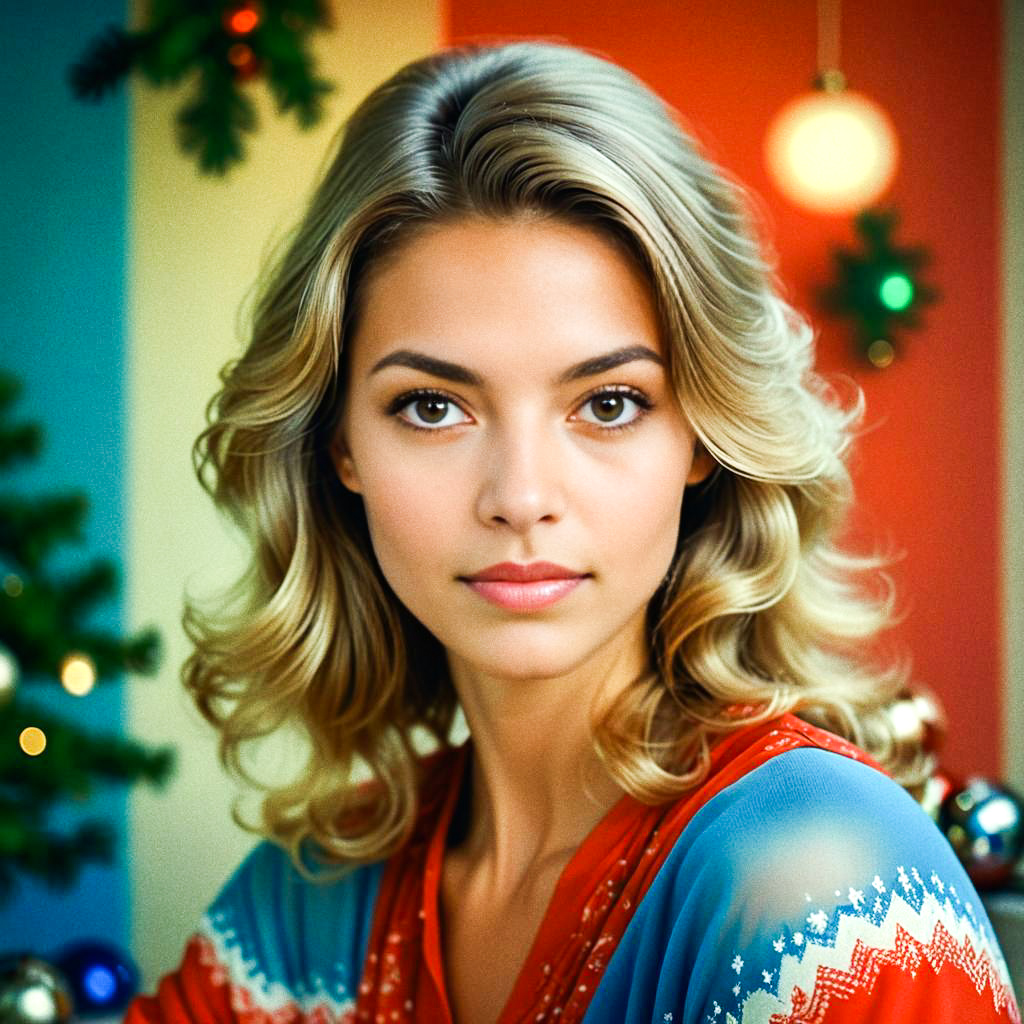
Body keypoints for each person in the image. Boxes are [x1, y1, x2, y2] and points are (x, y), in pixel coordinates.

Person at [124, 39, 1019, 1024]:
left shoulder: (825, 891)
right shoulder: (308, 907)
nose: (519, 495)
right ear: (340, 444)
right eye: (430, 405)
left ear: (701, 437)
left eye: (607, 403)